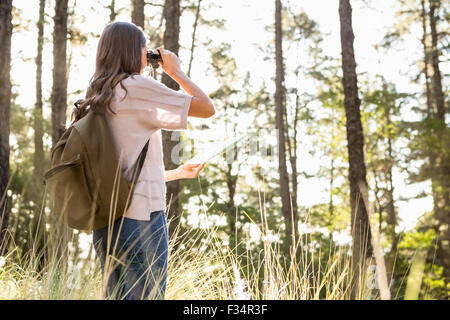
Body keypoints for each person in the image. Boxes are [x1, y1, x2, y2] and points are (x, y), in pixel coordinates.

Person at [72, 21, 215, 300]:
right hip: (141, 222)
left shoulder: (95, 96)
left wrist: (176, 173)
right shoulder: (137, 87)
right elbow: (206, 108)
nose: (147, 54)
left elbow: (119, 172)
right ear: (134, 51)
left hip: (105, 223)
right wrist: (176, 72)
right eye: (144, 49)